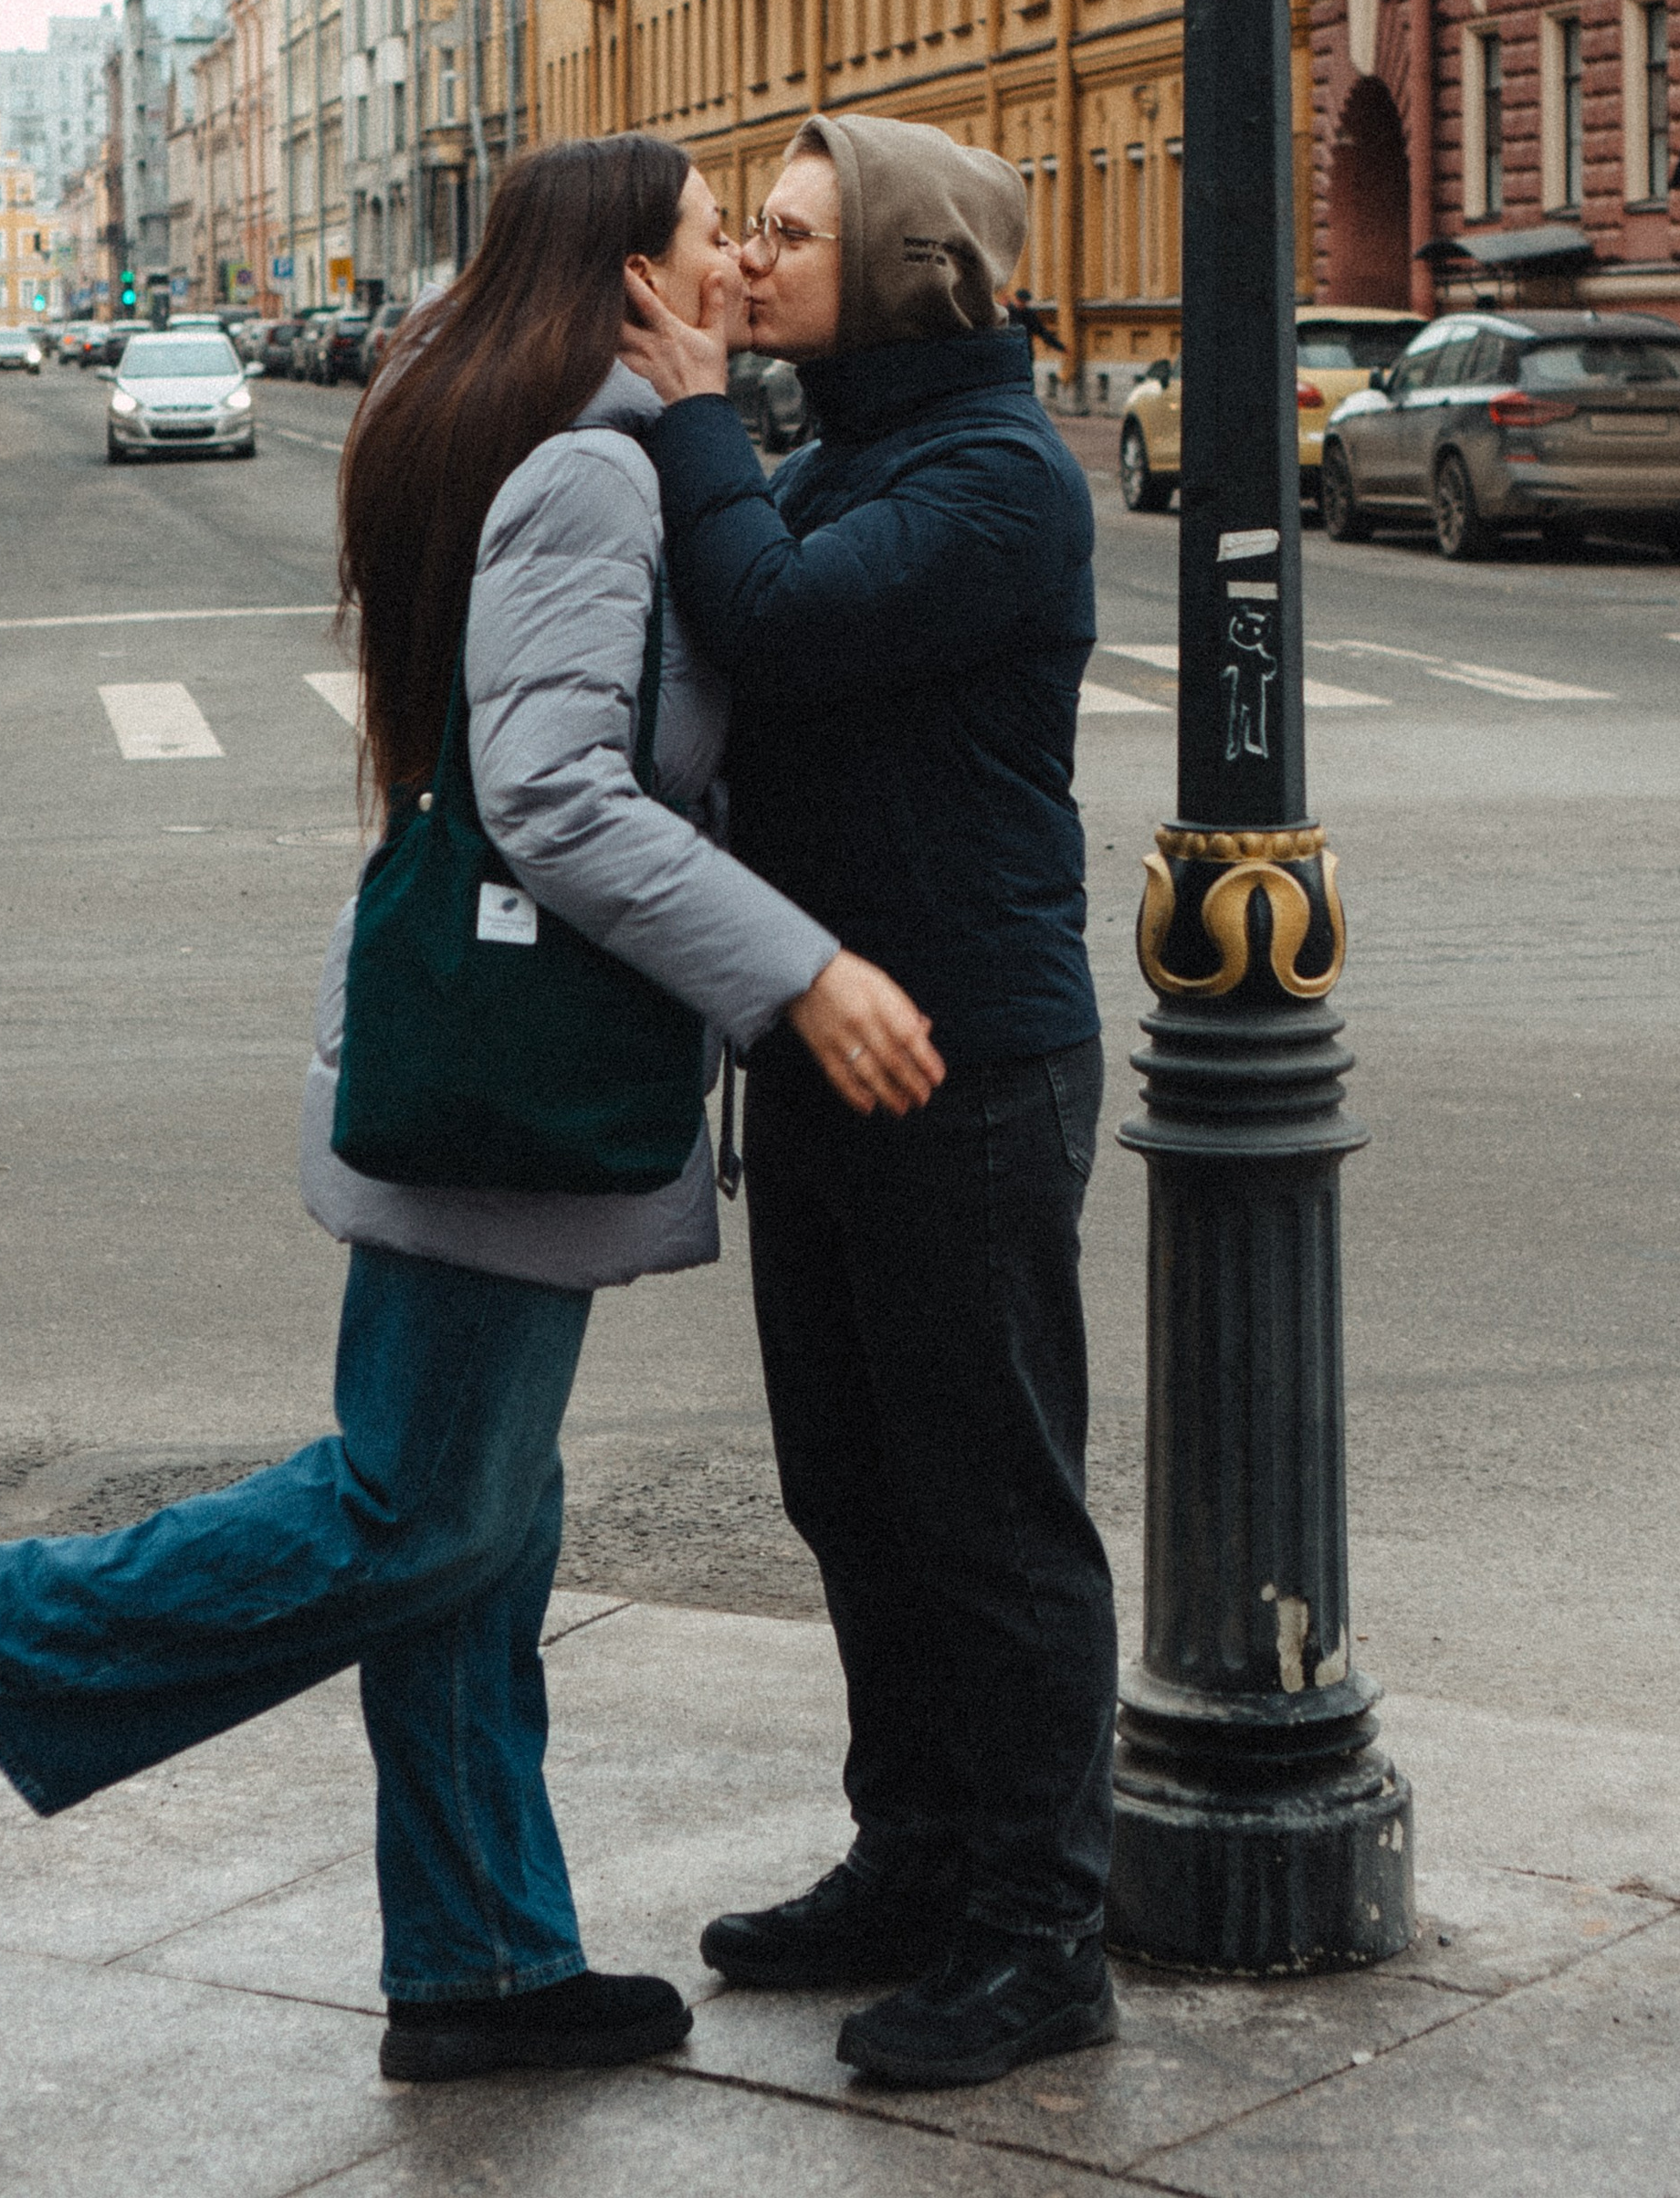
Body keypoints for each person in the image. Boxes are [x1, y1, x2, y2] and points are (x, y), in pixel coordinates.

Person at [0, 134, 938, 2088]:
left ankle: (478, 1960)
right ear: (623, 276)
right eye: (706, 241)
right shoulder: (594, 471)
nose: (729, 273)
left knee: (479, 1527)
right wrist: (795, 969)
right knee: (417, 1512)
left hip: (492, 1070)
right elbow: (554, 796)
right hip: (512, 1085)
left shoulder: (568, 436)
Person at [621, 112, 1117, 2098]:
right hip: (818, 1042)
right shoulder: (848, 452)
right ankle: (910, 1859)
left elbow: (778, 623)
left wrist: (695, 415)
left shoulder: (996, 477)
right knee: (851, 1485)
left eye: (789, 232)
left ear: (903, 270)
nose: (745, 255)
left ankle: (1035, 1931)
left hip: (965, 1052)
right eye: (745, 224)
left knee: (987, 1510)